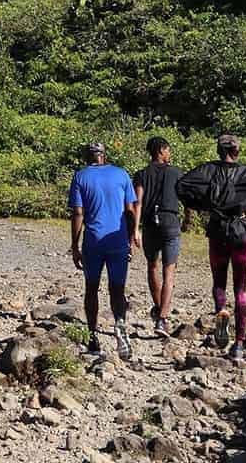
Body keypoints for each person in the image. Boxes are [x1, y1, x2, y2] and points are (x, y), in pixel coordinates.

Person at [176, 133, 246, 364]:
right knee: (241, 288)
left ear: (218, 151)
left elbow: (182, 185)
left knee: (219, 282)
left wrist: (204, 204)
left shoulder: (207, 170)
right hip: (240, 231)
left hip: (217, 230)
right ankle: (240, 344)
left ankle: (221, 309)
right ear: (237, 151)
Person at [68, 140, 140, 360]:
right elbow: (130, 210)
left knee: (91, 288)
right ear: (104, 156)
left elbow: (78, 213)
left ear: (87, 157)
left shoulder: (80, 177)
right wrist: (129, 238)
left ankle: (92, 337)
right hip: (117, 239)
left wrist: (74, 245)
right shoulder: (122, 174)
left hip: (94, 241)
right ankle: (119, 323)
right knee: (117, 290)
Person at [132, 136, 188, 336]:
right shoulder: (176, 173)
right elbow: (186, 197)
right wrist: (188, 218)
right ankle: (162, 319)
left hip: (149, 225)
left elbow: (137, 203)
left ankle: (158, 309)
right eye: (168, 150)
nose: (169, 154)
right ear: (162, 150)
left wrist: (135, 230)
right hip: (170, 222)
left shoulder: (141, 174)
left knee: (152, 266)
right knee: (169, 273)